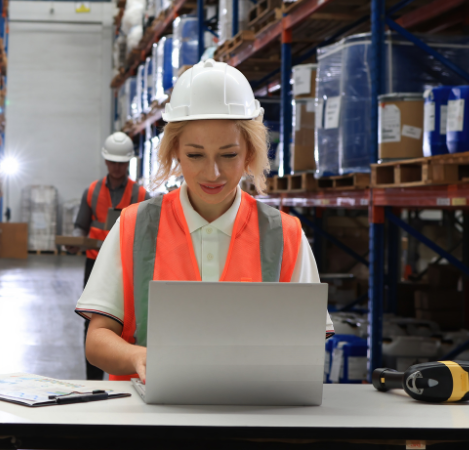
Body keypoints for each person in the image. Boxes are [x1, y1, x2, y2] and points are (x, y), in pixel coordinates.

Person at [75, 60, 334, 381]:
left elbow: (309, 344)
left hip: (249, 418)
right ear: (175, 153)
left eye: (228, 155)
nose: (212, 173)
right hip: (149, 423)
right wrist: (138, 357)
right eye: (195, 155)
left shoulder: (285, 235)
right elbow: (97, 340)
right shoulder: (133, 227)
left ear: (249, 154)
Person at [73, 130, 149, 380]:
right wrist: (75, 242)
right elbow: (81, 226)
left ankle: (126, 373)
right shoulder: (92, 192)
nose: (117, 168)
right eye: (113, 162)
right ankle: (92, 381)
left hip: (128, 266)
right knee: (94, 323)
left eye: (122, 163)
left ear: (128, 163)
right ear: (106, 161)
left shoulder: (141, 196)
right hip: (95, 262)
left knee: (125, 321)